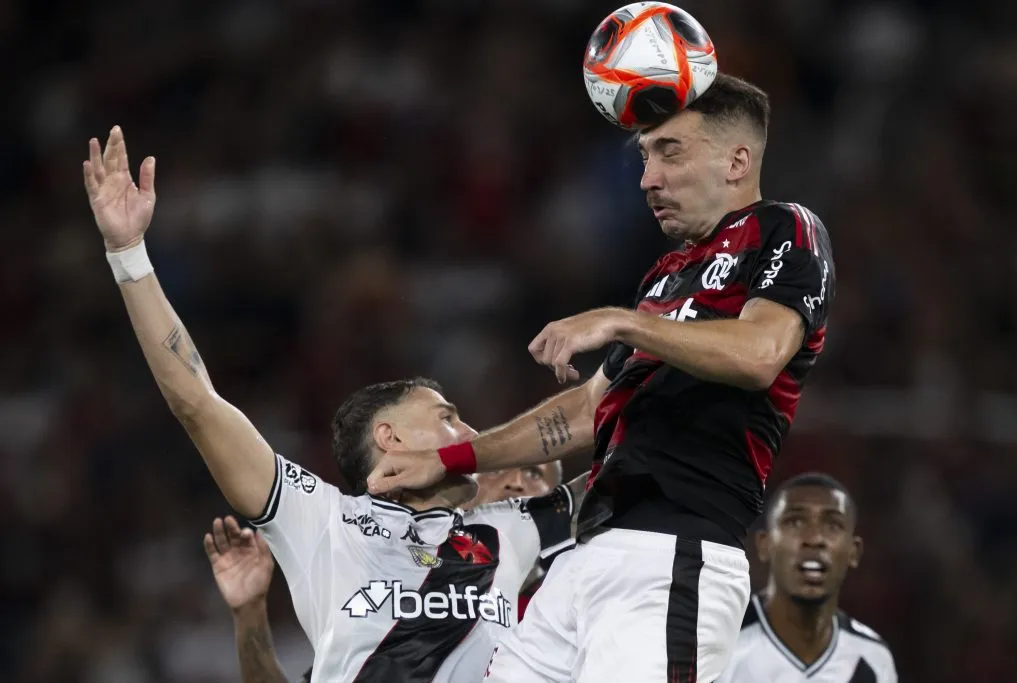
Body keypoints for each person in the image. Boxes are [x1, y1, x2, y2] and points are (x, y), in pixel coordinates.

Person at [366, 74, 837, 683]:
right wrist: (453, 459)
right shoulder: (666, 277)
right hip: (585, 557)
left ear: (737, 160)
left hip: (672, 555)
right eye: (644, 157)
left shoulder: (786, 229)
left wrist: (620, 322)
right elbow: (587, 412)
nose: (648, 179)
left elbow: (760, 353)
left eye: (669, 151)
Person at [81, 127, 586, 682]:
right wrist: (129, 255)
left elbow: (627, 441)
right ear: (389, 438)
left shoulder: (509, 528)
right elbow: (198, 403)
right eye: (446, 417)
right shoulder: (324, 523)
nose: (469, 431)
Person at [202, 464, 563, 683]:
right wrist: (249, 612)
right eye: (499, 467)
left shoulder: (572, 612)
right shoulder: (405, 600)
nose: (515, 481)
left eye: (535, 472)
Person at [718, 473, 898, 682]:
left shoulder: (873, 658)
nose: (814, 539)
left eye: (832, 525)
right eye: (795, 522)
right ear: (764, 545)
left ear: (853, 551)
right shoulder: (722, 644)